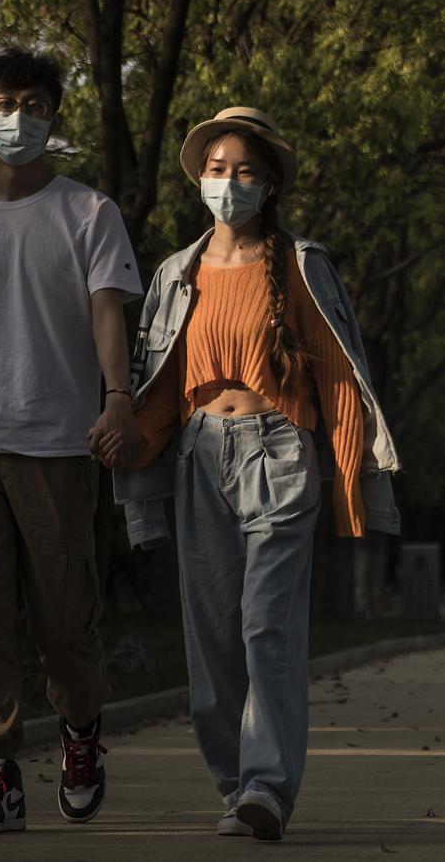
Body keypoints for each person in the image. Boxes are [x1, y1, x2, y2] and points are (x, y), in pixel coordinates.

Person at [101, 107, 401, 841]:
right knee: (210, 635)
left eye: (243, 171)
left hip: (281, 454)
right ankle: (235, 782)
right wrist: (124, 435)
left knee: (266, 624)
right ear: (199, 178)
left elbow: (335, 374)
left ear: (267, 186)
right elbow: (165, 391)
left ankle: (266, 786)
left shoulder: (299, 264)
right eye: (216, 169)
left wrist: (353, 479)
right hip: (200, 455)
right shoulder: (178, 273)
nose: (227, 182)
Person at [0, 46, 143, 834]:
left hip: (58, 441)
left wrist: (117, 400)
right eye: (5, 103)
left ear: (54, 117)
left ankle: (81, 733)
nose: (19, 117)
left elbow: (109, 311)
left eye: (36, 104)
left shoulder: (88, 213)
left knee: (62, 619)